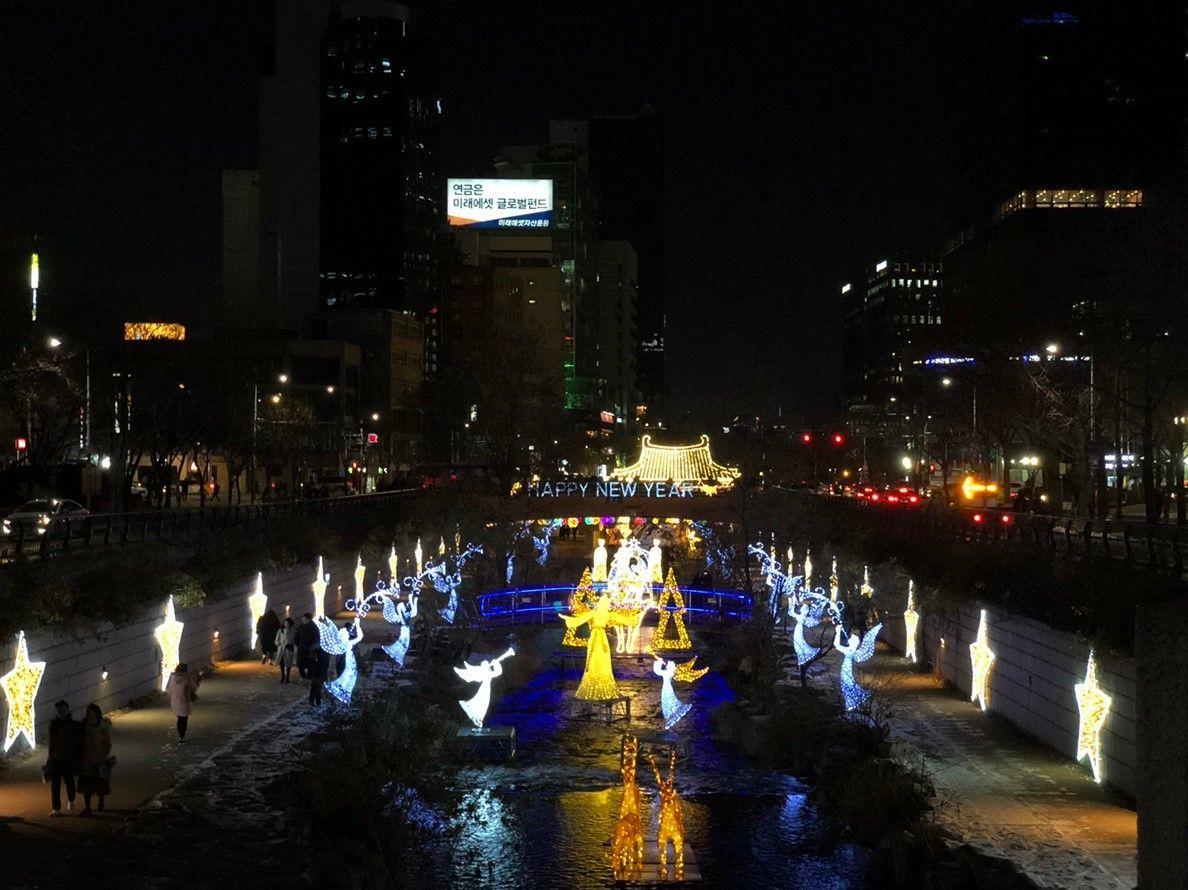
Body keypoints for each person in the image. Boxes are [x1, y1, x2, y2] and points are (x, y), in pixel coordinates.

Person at [46, 701, 82, 816]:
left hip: (68, 758)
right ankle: (56, 808)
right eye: (58, 710)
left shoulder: (73, 725)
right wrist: (50, 757)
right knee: (55, 784)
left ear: (67, 709)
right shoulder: (53, 724)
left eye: (62, 709)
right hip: (56, 758)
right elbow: (51, 742)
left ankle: (71, 800)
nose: (60, 712)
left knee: (69, 781)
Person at [78, 703, 112, 816]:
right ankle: (88, 807)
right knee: (87, 785)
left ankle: (101, 802)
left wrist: (104, 755)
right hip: (87, 760)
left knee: (100, 783)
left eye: (92, 713)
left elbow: (107, 743)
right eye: (89, 713)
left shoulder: (102, 726)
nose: (90, 715)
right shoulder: (84, 726)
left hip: (99, 759)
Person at [166, 663, 200, 743]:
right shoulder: (187, 677)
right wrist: (197, 680)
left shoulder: (172, 677)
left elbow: (168, 689)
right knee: (184, 719)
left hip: (175, 701)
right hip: (185, 701)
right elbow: (194, 688)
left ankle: (180, 734)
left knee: (179, 718)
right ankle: (182, 735)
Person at [294, 613, 318, 680]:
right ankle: (304, 677)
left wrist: (313, 646)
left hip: (310, 649)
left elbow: (316, 638)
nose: (303, 620)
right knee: (301, 664)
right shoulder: (301, 627)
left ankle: (308, 677)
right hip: (302, 648)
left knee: (310, 663)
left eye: (304, 619)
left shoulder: (314, 627)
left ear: (308, 619)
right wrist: (297, 643)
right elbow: (296, 637)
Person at [275, 616, 297, 683]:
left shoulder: (292, 631)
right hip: (281, 649)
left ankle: (287, 677)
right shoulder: (280, 631)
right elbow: (277, 640)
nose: (286, 624)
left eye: (287, 623)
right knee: (281, 663)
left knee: (288, 664)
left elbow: (294, 640)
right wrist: (279, 644)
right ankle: (283, 676)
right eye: (285, 623)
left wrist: (290, 644)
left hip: (288, 649)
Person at [308, 643, 329, 708]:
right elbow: (312, 651)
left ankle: (316, 701)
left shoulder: (322, 647)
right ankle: (314, 701)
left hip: (321, 668)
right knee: (316, 685)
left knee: (317, 685)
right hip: (320, 668)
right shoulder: (321, 647)